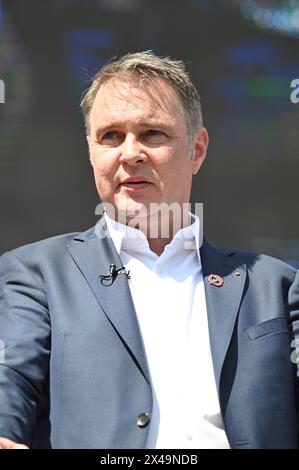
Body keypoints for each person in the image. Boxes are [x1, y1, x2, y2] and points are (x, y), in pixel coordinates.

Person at [0, 50, 299, 449]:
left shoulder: (276, 285)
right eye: (110, 136)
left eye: (152, 133)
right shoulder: (35, 275)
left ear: (197, 150)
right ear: (91, 152)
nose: (130, 153)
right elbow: (11, 380)